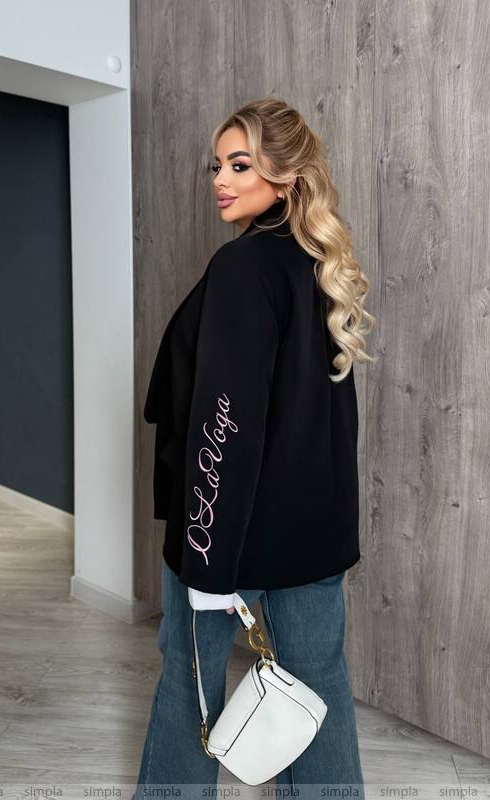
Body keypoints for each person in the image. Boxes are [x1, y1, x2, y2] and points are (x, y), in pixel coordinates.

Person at [134, 97, 376, 799]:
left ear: (287, 176)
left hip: (226, 533)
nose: (221, 179)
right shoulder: (319, 267)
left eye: (241, 165)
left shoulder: (244, 268)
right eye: (218, 165)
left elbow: (223, 420)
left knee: (190, 686)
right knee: (318, 691)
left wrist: (207, 562)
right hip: (312, 532)